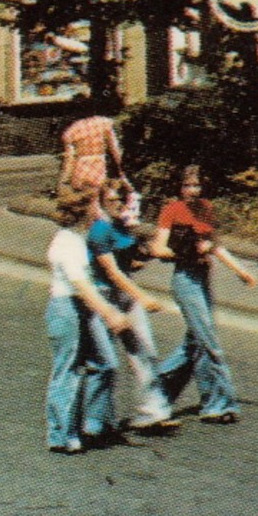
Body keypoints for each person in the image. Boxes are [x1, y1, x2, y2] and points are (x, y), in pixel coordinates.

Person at [149, 165, 257, 424]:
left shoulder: (206, 208)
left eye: (196, 186)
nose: (192, 191)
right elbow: (158, 248)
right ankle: (219, 403)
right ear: (179, 187)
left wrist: (240, 271)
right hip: (185, 280)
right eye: (187, 186)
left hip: (202, 278)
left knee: (196, 343)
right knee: (209, 342)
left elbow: (214, 245)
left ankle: (157, 389)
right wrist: (186, 250)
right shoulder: (172, 210)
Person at [84, 179, 177, 432]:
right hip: (104, 297)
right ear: (102, 202)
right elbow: (113, 273)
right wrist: (143, 297)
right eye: (112, 200)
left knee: (145, 351)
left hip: (125, 294)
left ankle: (152, 411)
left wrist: (154, 248)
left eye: (121, 200)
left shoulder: (122, 227)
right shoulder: (100, 230)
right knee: (103, 361)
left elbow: (133, 262)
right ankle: (97, 420)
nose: (117, 204)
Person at [45, 189, 130, 454]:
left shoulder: (77, 238)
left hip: (79, 308)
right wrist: (109, 312)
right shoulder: (67, 243)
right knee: (67, 371)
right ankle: (61, 435)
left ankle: (94, 424)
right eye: (94, 207)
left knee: (105, 363)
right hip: (66, 308)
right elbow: (81, 285)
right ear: (83, 213)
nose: (98, 211)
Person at [59, 109, 124, 196]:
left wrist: (64, 180)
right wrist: (121, 169)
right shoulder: (105, 123)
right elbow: (114, 149)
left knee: (87, 200)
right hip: (99, 166)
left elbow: (70, 158)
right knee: (103, 198)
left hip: (81, 167)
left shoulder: (71, 130)